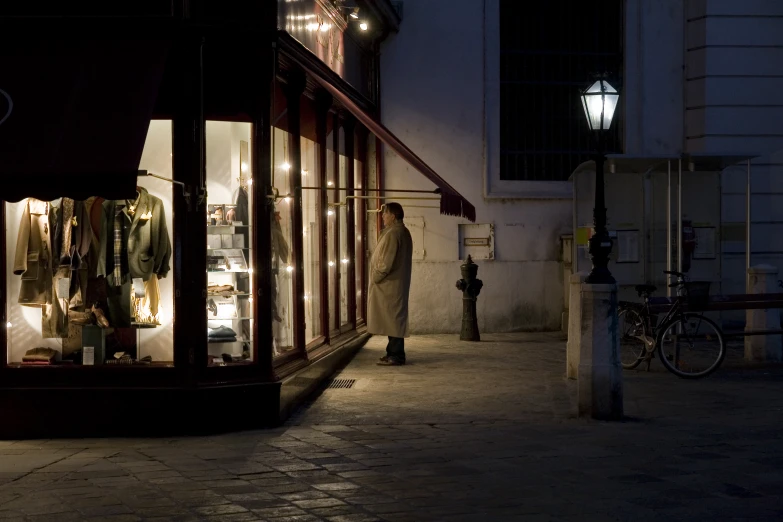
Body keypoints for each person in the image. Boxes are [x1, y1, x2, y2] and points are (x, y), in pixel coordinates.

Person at [368, 202, 413, 366]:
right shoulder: (399, 231)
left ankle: (396, 355)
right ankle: (392, 352)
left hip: (390, 285)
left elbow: (386, 263)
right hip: (393, 284)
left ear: (393, 216)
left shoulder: (394, 233)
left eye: (385, 213)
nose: (382, 216)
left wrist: (375, 277)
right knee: (392, 319)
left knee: (393, 319)